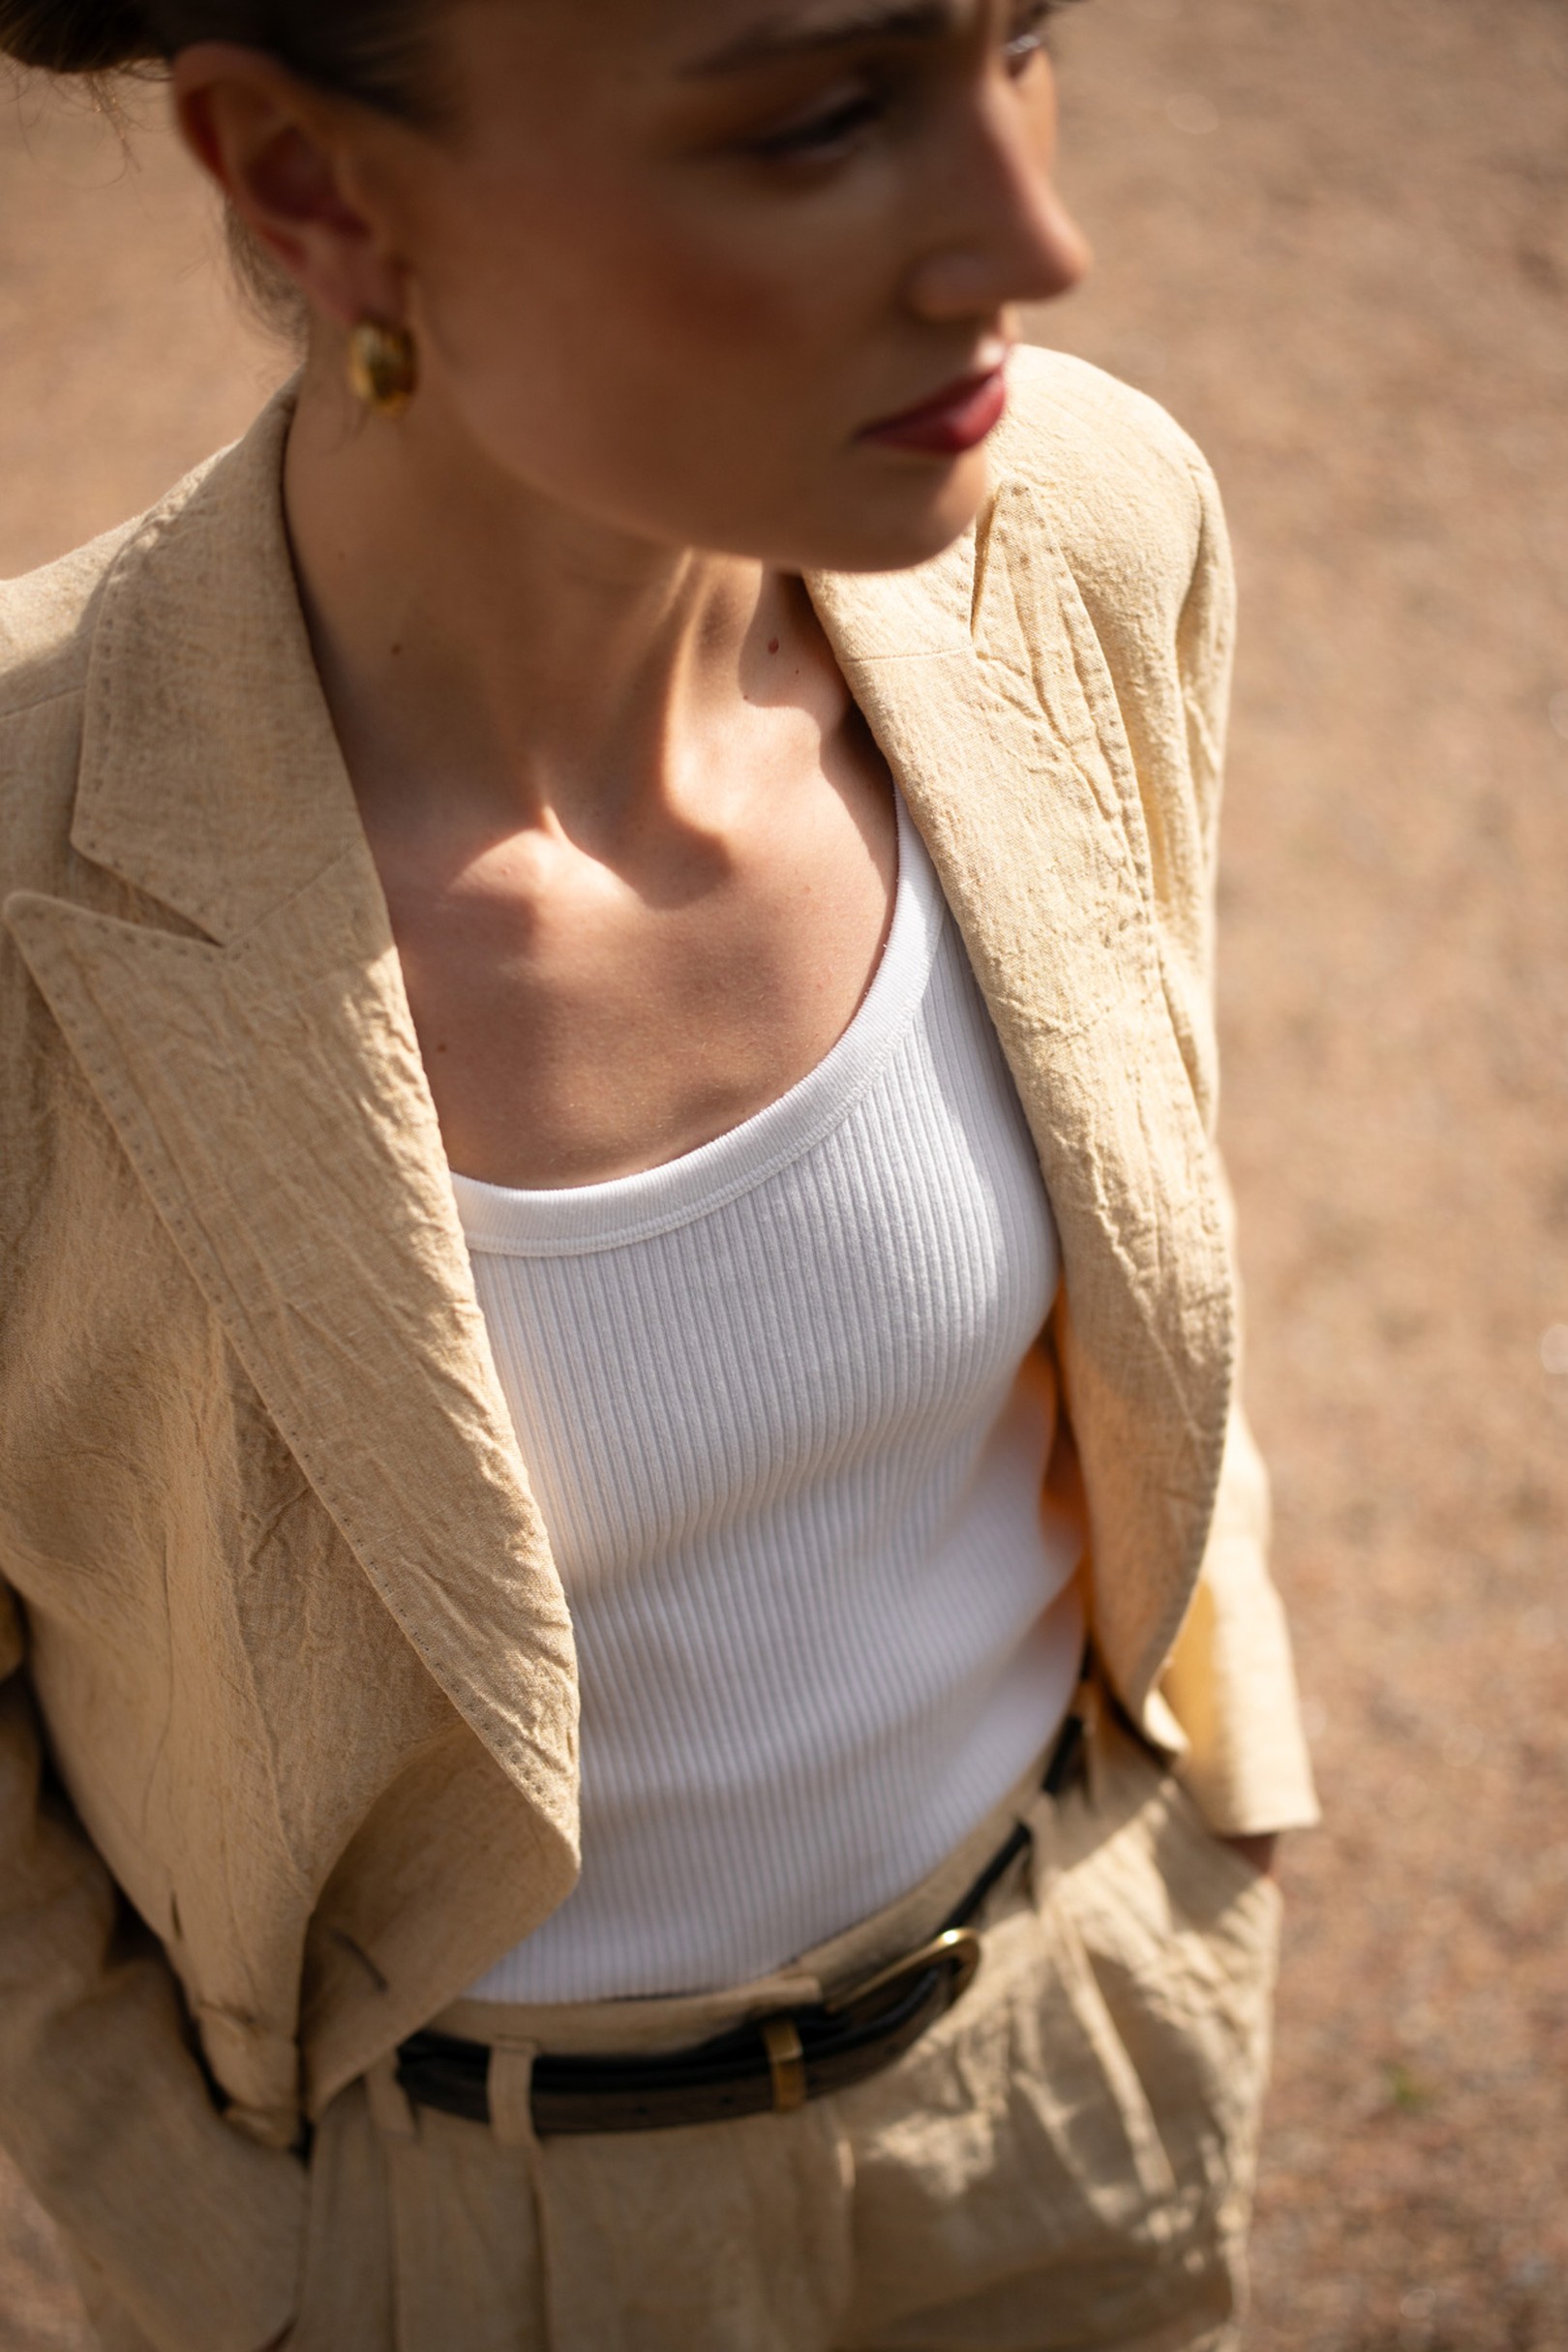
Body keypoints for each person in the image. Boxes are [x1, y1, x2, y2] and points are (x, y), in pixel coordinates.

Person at [0, 1, 1319, 2347]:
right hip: (430, 2259)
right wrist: (210, 2234)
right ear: (313, 187)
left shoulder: (1090, 526)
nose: (1037, 236)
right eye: (822, 117)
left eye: (1018, 40)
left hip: (1063, 2116)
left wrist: (1209, 1855)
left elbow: (1146, 1252)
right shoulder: (26, 873)